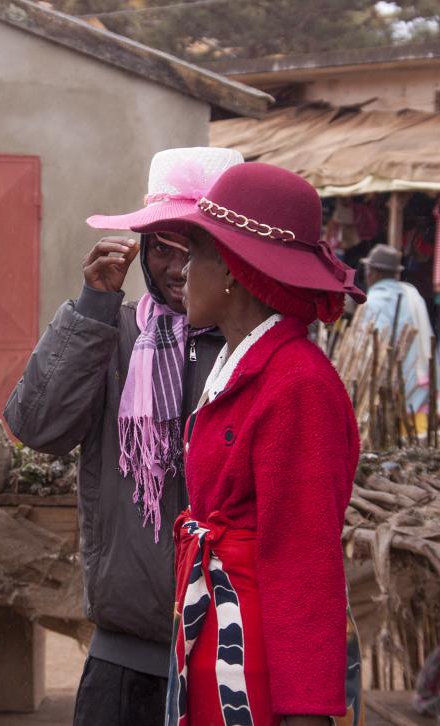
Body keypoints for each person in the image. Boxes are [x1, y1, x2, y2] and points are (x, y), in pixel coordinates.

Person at [4, 147, 242, 726]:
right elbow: (39, 427)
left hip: (229, 649)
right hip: (125, 647)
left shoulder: (254, 349)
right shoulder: (115, 335)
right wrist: (92, 307)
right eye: (162, 248)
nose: (178, 269)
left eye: (198, 249)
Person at [129, 162, 366, 725]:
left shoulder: (297, 385)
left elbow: (306, 560)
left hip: (259, 661)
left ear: (234, 270)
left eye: (197, 254)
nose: (182, 271)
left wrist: (305, 711)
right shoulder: (243, 364)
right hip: (219, 636)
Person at [361, 243, 435, 430]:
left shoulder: (373, 302)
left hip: (387, 390)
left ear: (373, 273)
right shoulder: (413, 294)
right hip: (417, 386)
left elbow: (371, 350)